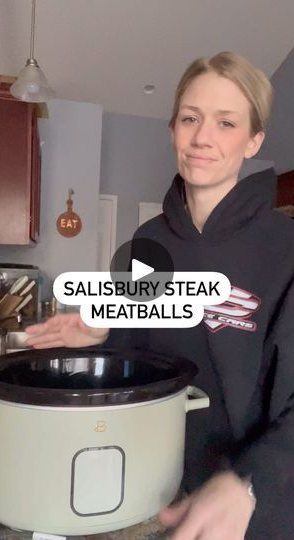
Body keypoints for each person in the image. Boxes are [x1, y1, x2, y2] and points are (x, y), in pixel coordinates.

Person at [26, 52, 294, 540]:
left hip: (246, 509)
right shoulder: (147, 242)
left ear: (254, 140)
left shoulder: (285, 250)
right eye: (190, 118)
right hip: (149, 489)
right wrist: (103, 331)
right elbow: (137, 354)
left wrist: (252, 485)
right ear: (172, 128)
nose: (202, 138)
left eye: (226, 122)